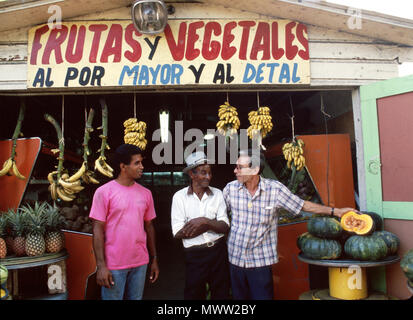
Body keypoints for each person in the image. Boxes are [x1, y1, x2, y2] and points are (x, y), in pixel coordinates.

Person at [223, 149, 357, 300]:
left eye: (240, 167)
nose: (235, 171)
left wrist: (336, 212)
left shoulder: (275, 190)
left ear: (255, 169)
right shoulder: (230, 189)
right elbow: (219, 215)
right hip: (235, 259)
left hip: (260, 262)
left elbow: (302, 205)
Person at [89, 144, 159, 300]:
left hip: (140, 262)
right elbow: (97, 230)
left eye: (141, 162)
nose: (142, 167)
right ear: (123, 167)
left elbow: (149, 227)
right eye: (137, 163)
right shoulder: (103, 192)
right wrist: (101, 266)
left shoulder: (146, 194)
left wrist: (154, 259)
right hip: (114, 265)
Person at [171, 151, 231, 300]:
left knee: (221, 294)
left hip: (218, 251)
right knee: (194, 294)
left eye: (210, 173)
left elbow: (225, 226)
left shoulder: (217, 194)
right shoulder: (180, 197)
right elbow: (178, 232)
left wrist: (204, 221)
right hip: (194, 255)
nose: (208, 177)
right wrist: (211, 225)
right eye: (204, 173)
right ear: (192, 174)